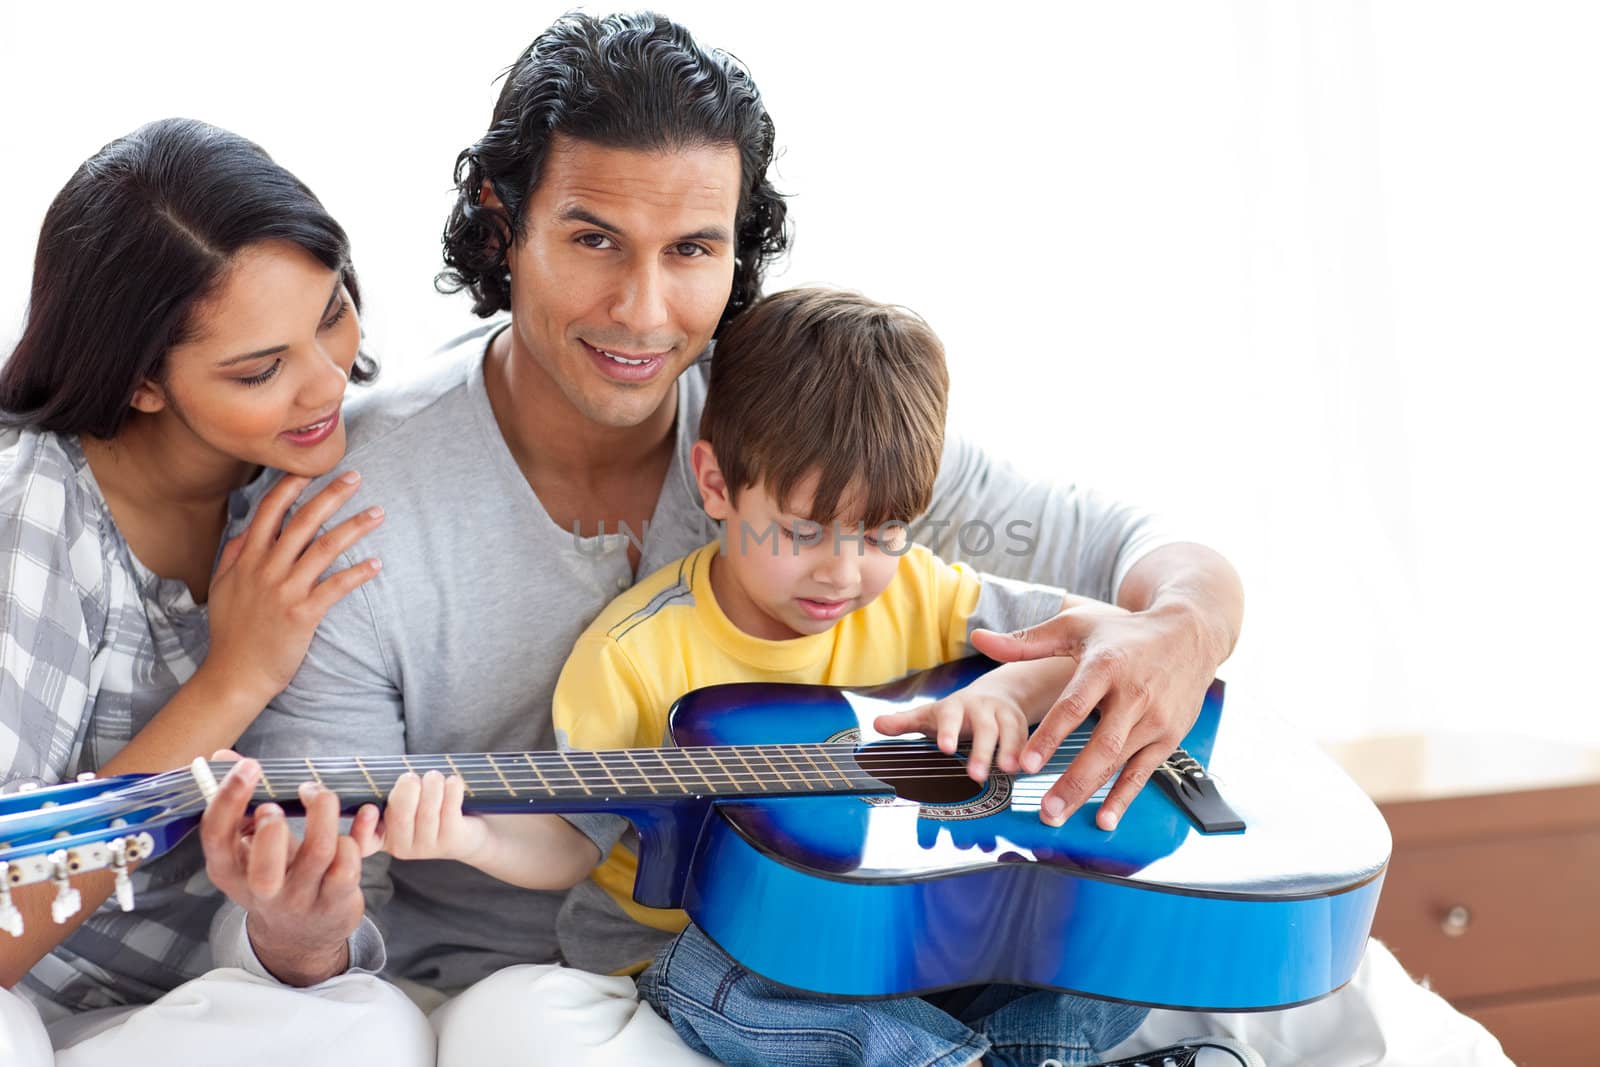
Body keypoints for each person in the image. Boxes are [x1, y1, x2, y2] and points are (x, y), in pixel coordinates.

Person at [205, 11, 1507, 1067]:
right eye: (593, 239)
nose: (645, 309)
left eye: (694, 249)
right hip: (581, 979)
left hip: (904, 916)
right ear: (503, 221)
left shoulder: (796, 423)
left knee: (1326, 986)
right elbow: (320, 926)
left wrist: (1173, 634)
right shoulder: (351, 502)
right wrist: (303, 926)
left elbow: (1150, 543)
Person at [352, 285, 1160, 1066]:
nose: (844, 573)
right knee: (733, 982)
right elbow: (570, 844)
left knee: (1121, 926)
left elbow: (1104, 640)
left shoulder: (926, 592)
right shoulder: (632, 656)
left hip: (888, 931)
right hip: (690, 948)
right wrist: (470, 833)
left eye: (882, 533)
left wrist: (1005, 688)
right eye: (803, 530)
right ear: (715, 485)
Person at [0, 117, 430, 1066]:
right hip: (27, 1001)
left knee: (376, 1025)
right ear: (145, 381)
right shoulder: (33, 515)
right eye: (260, 369)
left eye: (330, 314)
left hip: (200, 1006)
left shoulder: (291, 479)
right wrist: (232, 681)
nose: (326, 386)